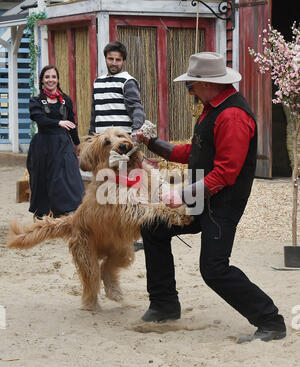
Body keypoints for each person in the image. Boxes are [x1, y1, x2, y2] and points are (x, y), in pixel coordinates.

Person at [135, 52, 286, 343]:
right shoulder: (213, 108)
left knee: (214, 269)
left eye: (190, 84)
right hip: (204, 197)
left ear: (205, 83)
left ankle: (271, 321)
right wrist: (153, 143)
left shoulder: (232, 116)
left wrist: (180, 194)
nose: (189, 89)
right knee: (154, 227)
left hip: (222, 203)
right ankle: (164, 305)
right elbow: (196, 151)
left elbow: (226, 173)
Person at [89, 40, 146, 251]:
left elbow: (137, 109)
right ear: (105, 58)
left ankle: (132, 238)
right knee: (105, 190)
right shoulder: (98, 82)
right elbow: (94, 115)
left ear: (123, 61)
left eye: (118, 60)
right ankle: (110, 236)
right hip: (103, 148)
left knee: (127, 192)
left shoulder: (127, 81)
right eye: (110, 59)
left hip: (124, 149)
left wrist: (137, 131)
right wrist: (89, 139)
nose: (114, 63)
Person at [27, 65, 85, 219]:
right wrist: (58, 123)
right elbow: (38, 118)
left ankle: (66, 210)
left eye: (53, 77)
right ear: (42, 80)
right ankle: (41, 212)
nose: (50, 80)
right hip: (43, 145)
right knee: (42, 178)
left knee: (67, 177)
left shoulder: (66, 100)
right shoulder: (36, 101)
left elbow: (71, 123)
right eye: (47, 77)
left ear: (58, 80)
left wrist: (77, 143)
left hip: (63, 145)